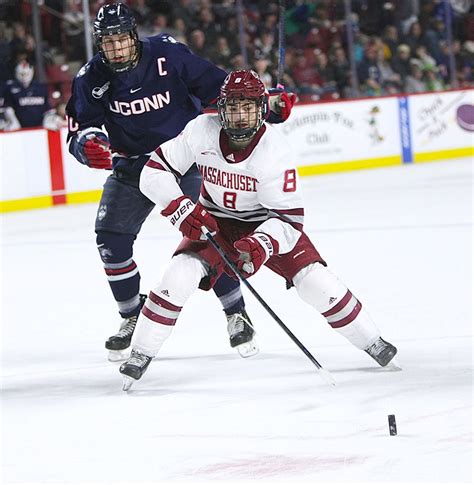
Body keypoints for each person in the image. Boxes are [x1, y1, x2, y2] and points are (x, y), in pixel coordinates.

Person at [119, 70, 398, 389]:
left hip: (267, 222)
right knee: (178, 274)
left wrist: (262, 244)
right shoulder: (201, 131)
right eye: (233, 108)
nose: (240, 117)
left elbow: (290, 221)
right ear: (220, 109)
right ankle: (140, 353)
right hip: (215, 220)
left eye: (248, 107)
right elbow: (153, 171)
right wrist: (180, 207)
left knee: (317, 283)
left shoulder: (274, 152)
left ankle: (372, 341)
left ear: (261, 109)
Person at [65, 3, 295, 361]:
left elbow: (222, 91)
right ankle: (130, 315)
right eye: (108, 43)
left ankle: (236, 312)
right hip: (132, 168)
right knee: (110, 239)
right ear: (100, 43)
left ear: (133, 35)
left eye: (121, 40)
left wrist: (267, 104)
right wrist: (86, 144)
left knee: (210, 233)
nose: (117, 49)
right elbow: (81, 126)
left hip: (184, 161)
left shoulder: (168, 54)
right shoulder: (91, 78)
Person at [4, 60, 51, 128]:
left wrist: (48, 120)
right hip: (20, 128)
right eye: (22, 74)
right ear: (16, 74)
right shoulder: (10, 89)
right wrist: (13, 121)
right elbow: (8, 109)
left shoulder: (41, 88)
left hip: (40, 127)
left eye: (26, 74)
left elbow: (48, 109)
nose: (24, 77)